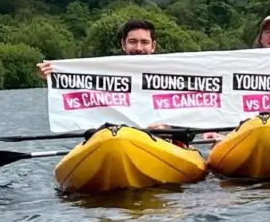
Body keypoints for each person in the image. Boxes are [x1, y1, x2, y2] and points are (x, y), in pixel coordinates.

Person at [36, 19, 221, 143]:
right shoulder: (103, 74)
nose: (138, 48)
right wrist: (54, 78)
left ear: (153, 46)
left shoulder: (174, 74)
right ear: (123, 44)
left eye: (144, 42)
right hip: (119, 140)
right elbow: (85, 109)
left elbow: (193, 116)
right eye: (133, 42)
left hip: (165, 142)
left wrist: (168, 128)